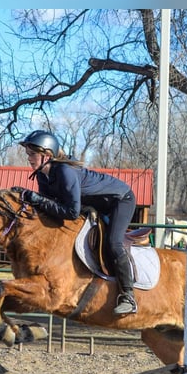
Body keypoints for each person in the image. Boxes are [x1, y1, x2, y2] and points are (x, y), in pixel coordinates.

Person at [17, 129, 138, 314]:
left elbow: (71, 212)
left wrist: (38, 199)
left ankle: (128, 296)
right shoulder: (42, 174)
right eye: (28, 154)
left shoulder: (65, 171)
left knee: (113, 243)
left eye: (32, 154)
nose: (29, 158)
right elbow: (49, 206)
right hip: (95, 205)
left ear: (47, 155)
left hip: (120, 200)